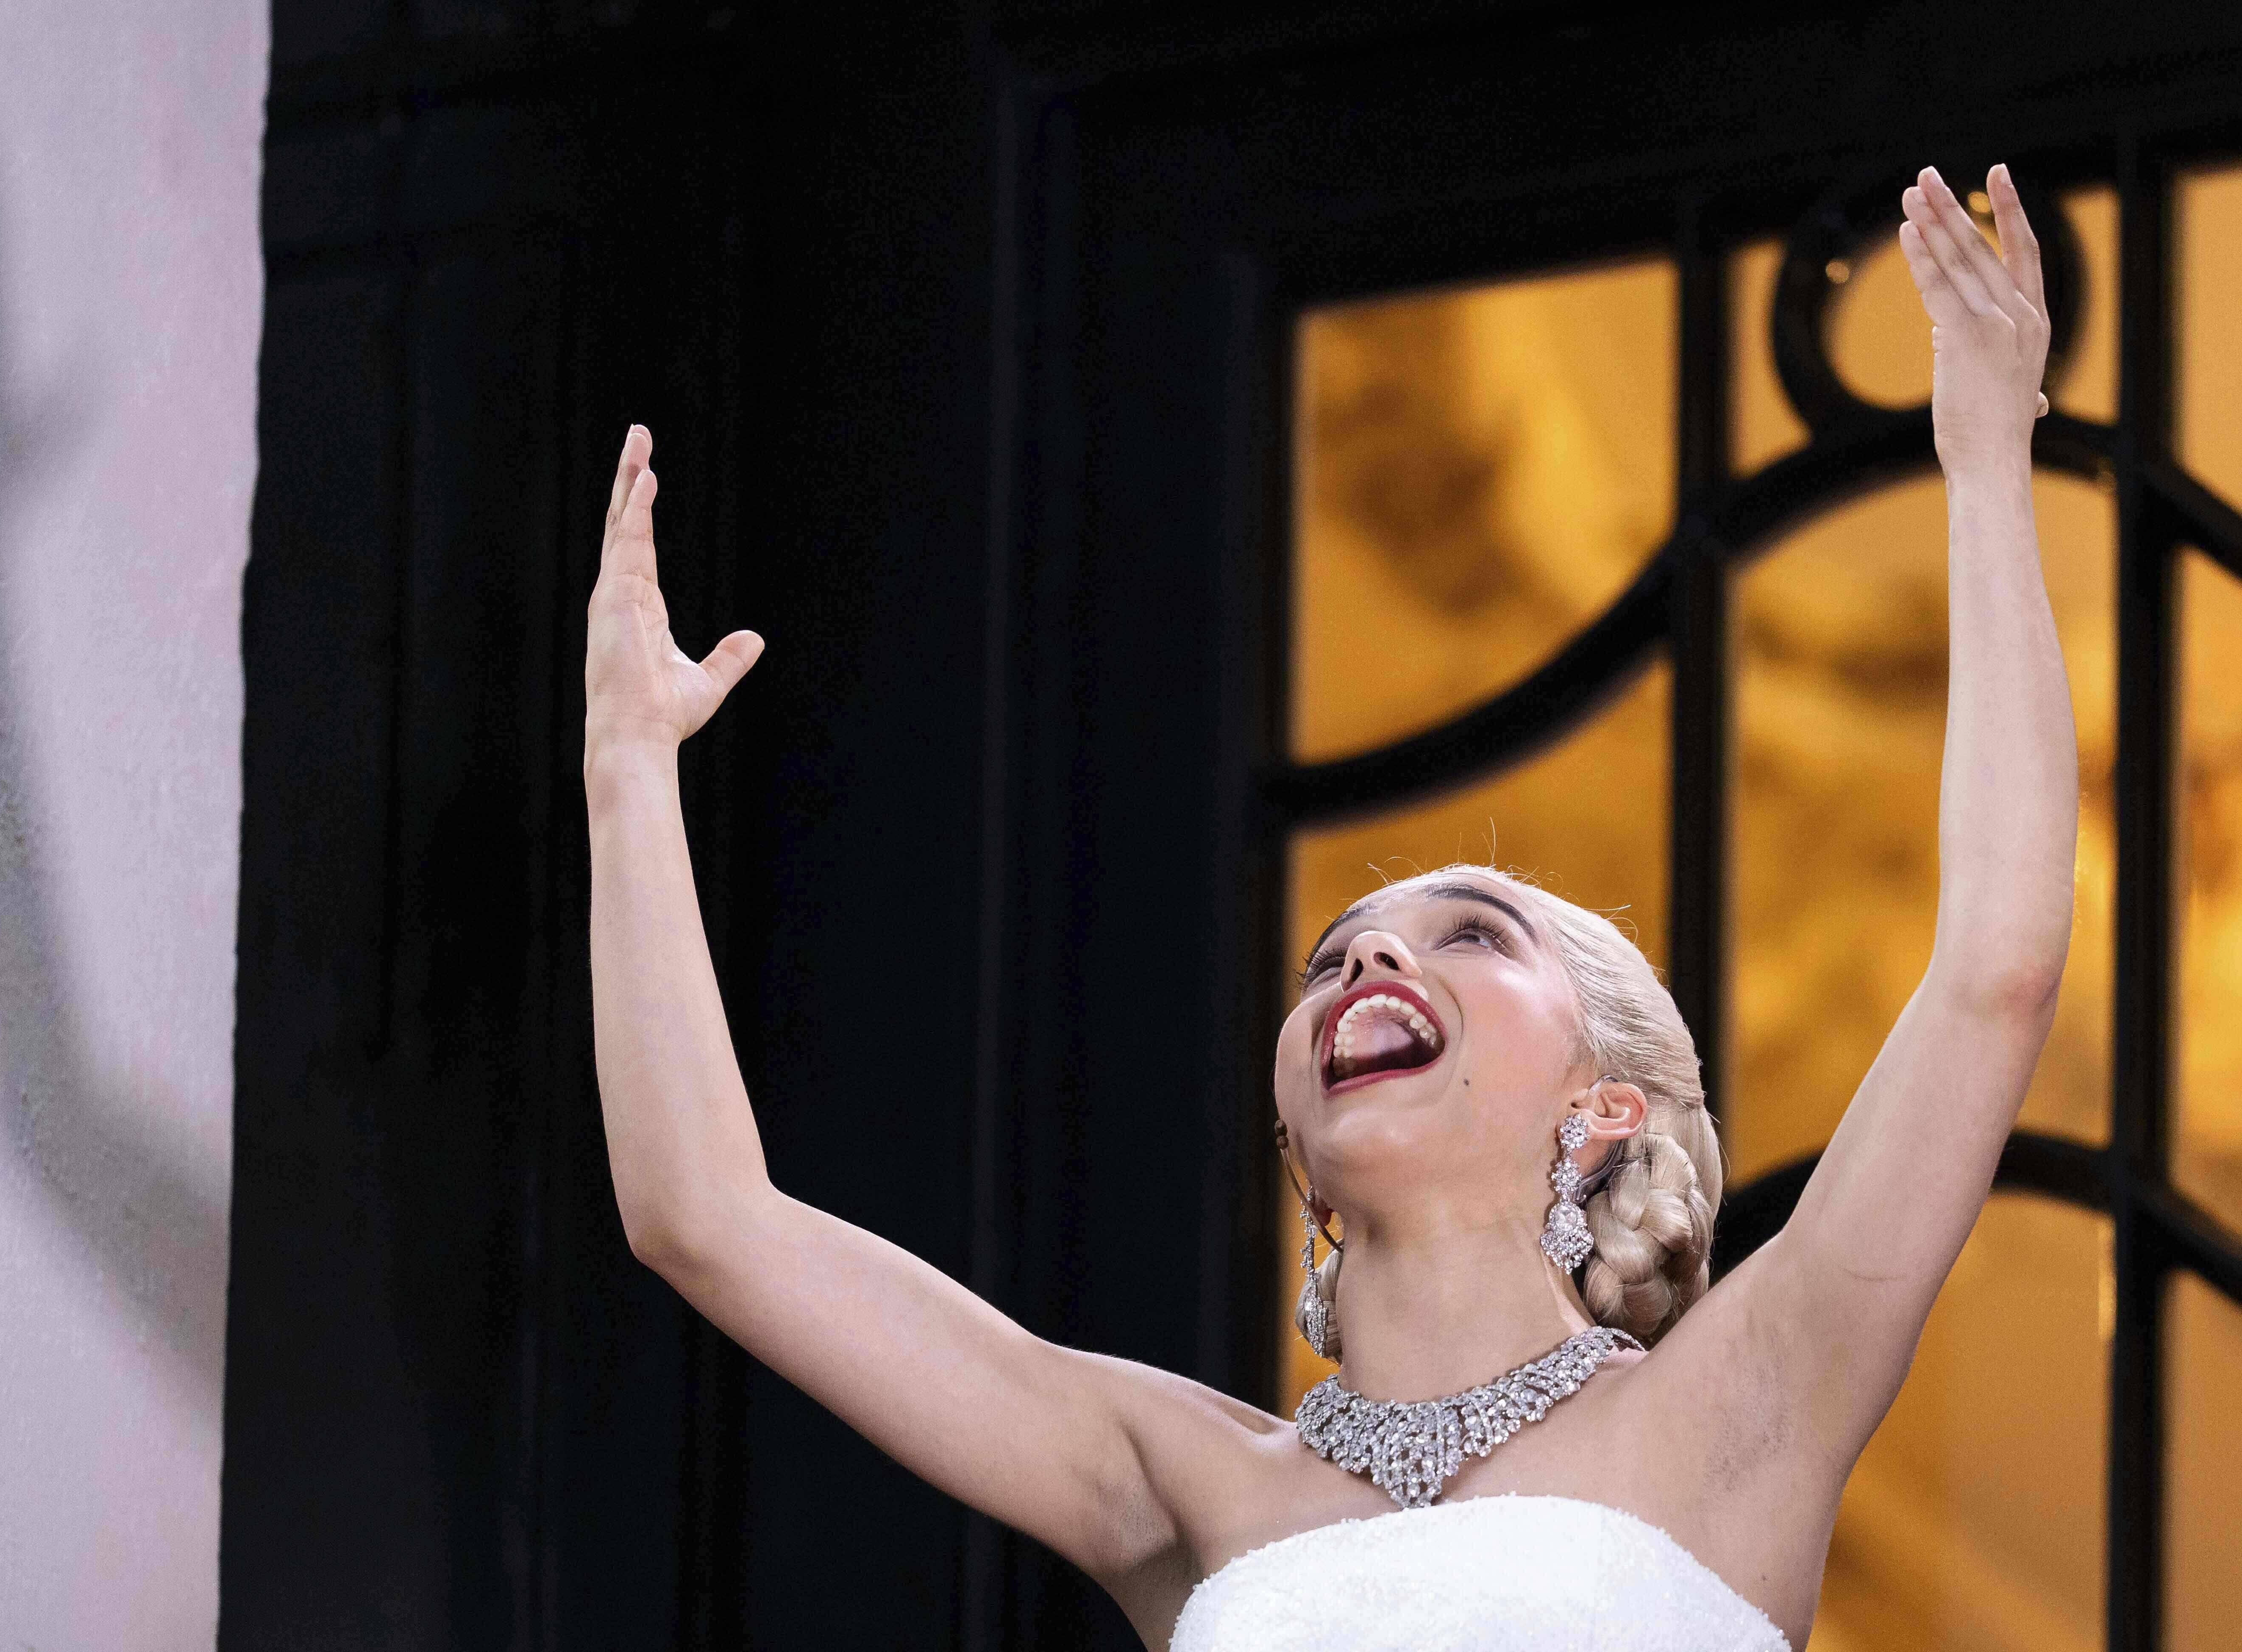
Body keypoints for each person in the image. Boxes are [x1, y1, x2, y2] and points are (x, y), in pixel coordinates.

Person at [581, 163, 2070, 1650]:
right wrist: (628, 768)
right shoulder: (1186, 1481)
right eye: (1331, 959)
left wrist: (1986, 456)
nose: (1368, 956)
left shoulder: (1747, 1394)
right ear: (1299, 1151)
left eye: (1470, 933)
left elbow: (1992, 967)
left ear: (1605, 1104)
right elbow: (705, 1218)